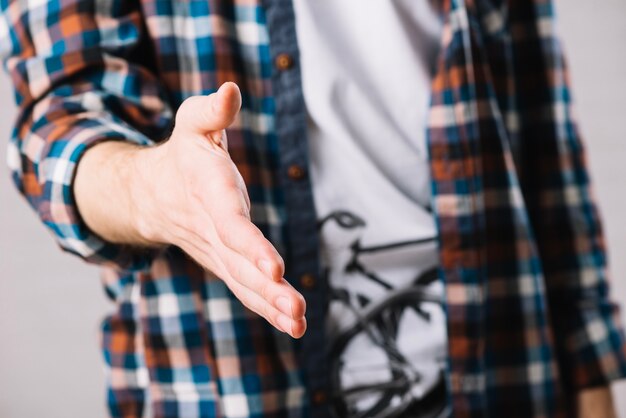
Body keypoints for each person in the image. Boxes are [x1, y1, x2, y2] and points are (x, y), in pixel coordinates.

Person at [1, 0, 625, 416]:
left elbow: (543, 134)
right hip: (237, 381)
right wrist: (158, 193)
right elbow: (58, 121)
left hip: (509, 367)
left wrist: (592, 382)